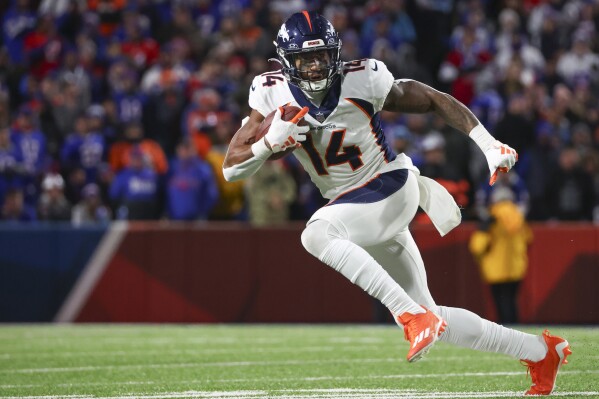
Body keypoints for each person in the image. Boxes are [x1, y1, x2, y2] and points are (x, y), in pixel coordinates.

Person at [222, 11, 571, 395]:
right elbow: (231, 169)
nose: (316, 65)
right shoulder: (270, 92)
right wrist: (268, 143)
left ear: (336, 54)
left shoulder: (364, 78)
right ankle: (541, 351)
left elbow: (434, 100)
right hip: (352, 205)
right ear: (288, 62)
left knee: (316, 234)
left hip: (390, 182)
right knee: (435, 315)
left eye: (322, 56)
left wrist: (488, 145)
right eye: (306, 59)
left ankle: (407, 315)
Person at [469, 185, 533, 324]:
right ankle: (516, 330)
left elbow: (477, 247)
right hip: (516, 267)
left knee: (501, 304)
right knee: (511, 301)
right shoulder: (519, 217)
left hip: (495, 269)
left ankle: (507, 333)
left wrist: (483, 230)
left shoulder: (491, 217)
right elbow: (529, 239)